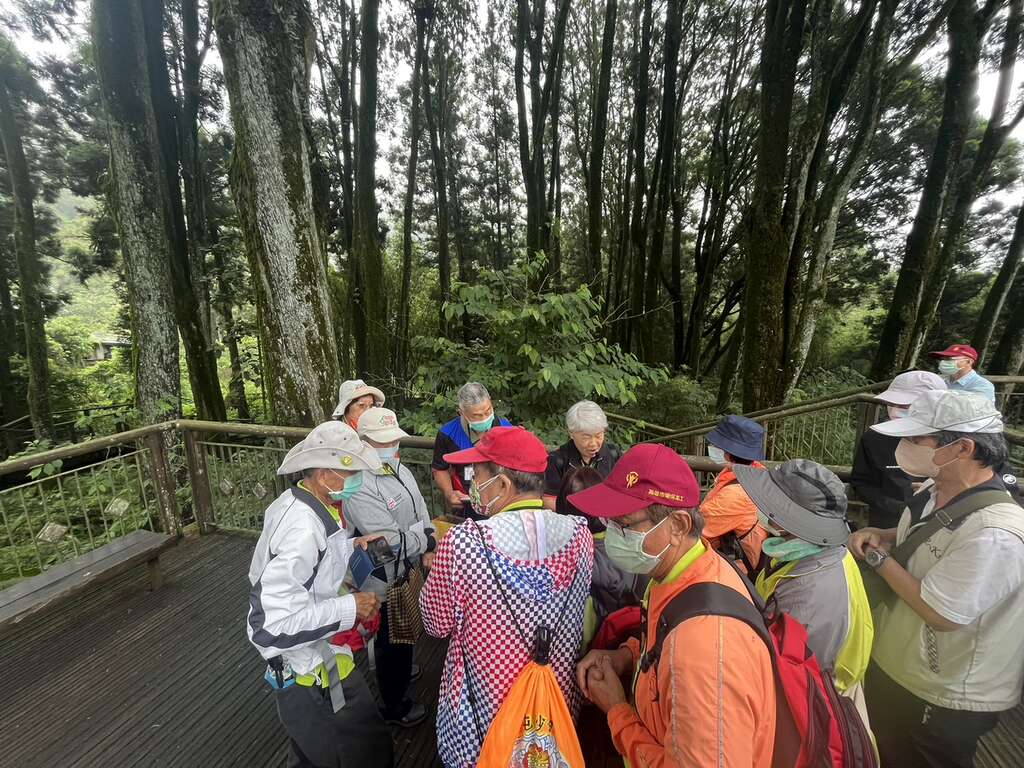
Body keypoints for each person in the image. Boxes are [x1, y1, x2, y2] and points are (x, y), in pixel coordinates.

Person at [570, 444, 776, 767]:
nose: (613, 536)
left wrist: (617, 711)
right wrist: (627, 656)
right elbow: (663, 637)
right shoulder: (681, 571)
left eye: (624, 524)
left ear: (678, 525)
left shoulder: (703, 648)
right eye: (609, 522)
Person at [849, 390, 1024, 768]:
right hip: (898, 666)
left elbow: (941, 613)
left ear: (962, 447)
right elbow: (926, 531)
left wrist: (877, 558)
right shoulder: (936, 488)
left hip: (943, 694)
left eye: (917, 439)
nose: (905, 447)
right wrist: (886, 534)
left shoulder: (996, 533)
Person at [419, 426, 593, 768]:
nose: (472, 483)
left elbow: (436, 624)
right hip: (553, 698)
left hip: (485, 705)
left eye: (477, 474)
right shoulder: (579, 534)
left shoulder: (463, 542)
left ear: (502, 484)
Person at [246, 421, 394, 768]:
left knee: (313, 753)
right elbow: (269, 626)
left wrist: (351, 548)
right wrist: (349, 608)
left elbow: (309, 572)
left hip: (319, 659)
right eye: (353, 473)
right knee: (365, 750)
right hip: (308, 674)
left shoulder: (305, 502)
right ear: (326, 475)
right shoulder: (302, 528)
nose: (359, 480)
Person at [734, 459, 873, 697]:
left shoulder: (809, 594)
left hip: (816, 698)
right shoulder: (818, 553)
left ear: (791, 520)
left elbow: (790, 675)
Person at [343, 407, 435, 728]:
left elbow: (420, 507)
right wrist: (426, 540)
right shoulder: (359, 484)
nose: (390, 445)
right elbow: (386, 539)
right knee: (388, 637)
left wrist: (425, 536)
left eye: (393, 439)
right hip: (382, 574)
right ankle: (394, 704)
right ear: (363, 441)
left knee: (401, 627)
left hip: (405, 566)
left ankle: (402, 671)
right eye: (381, 441)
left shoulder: (397, 467)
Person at [851, 370, 947, 528]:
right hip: (886, 521)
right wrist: (894, 507)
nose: (894, 412)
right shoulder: (875, 437)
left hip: (937, 522)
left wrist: (931, 492)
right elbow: (861, 482)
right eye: (890, 404)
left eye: (904, 406)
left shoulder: (953, 441)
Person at [700, 415, 769, 573]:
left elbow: (694, 533)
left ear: (728, 453)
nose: (713, 447)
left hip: (735, 569)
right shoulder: (754, 472)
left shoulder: (736, 494)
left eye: (717, 445)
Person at [430, 382, 511, 518]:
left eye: (488, 411)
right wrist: (449, 493)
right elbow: (439, 469)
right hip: (467, 505)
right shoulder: (448, 434)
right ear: (461, 412)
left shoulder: (507, 429)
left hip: (502, 503)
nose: (484, 418)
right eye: (477, 415)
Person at [542, 400, 622, 510]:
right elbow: (549, 500)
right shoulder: (557, 460)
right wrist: (580, 512)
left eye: (598, 436)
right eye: (586, 437)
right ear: (571, 433)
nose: (593, 444)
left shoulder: (613, 454)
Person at [930, 344, 995, 403]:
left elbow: (976, 409)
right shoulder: (939, 380)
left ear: (968, 362)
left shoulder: (982, 386)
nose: (943, 362)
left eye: (949, 359)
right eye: (942, 359)